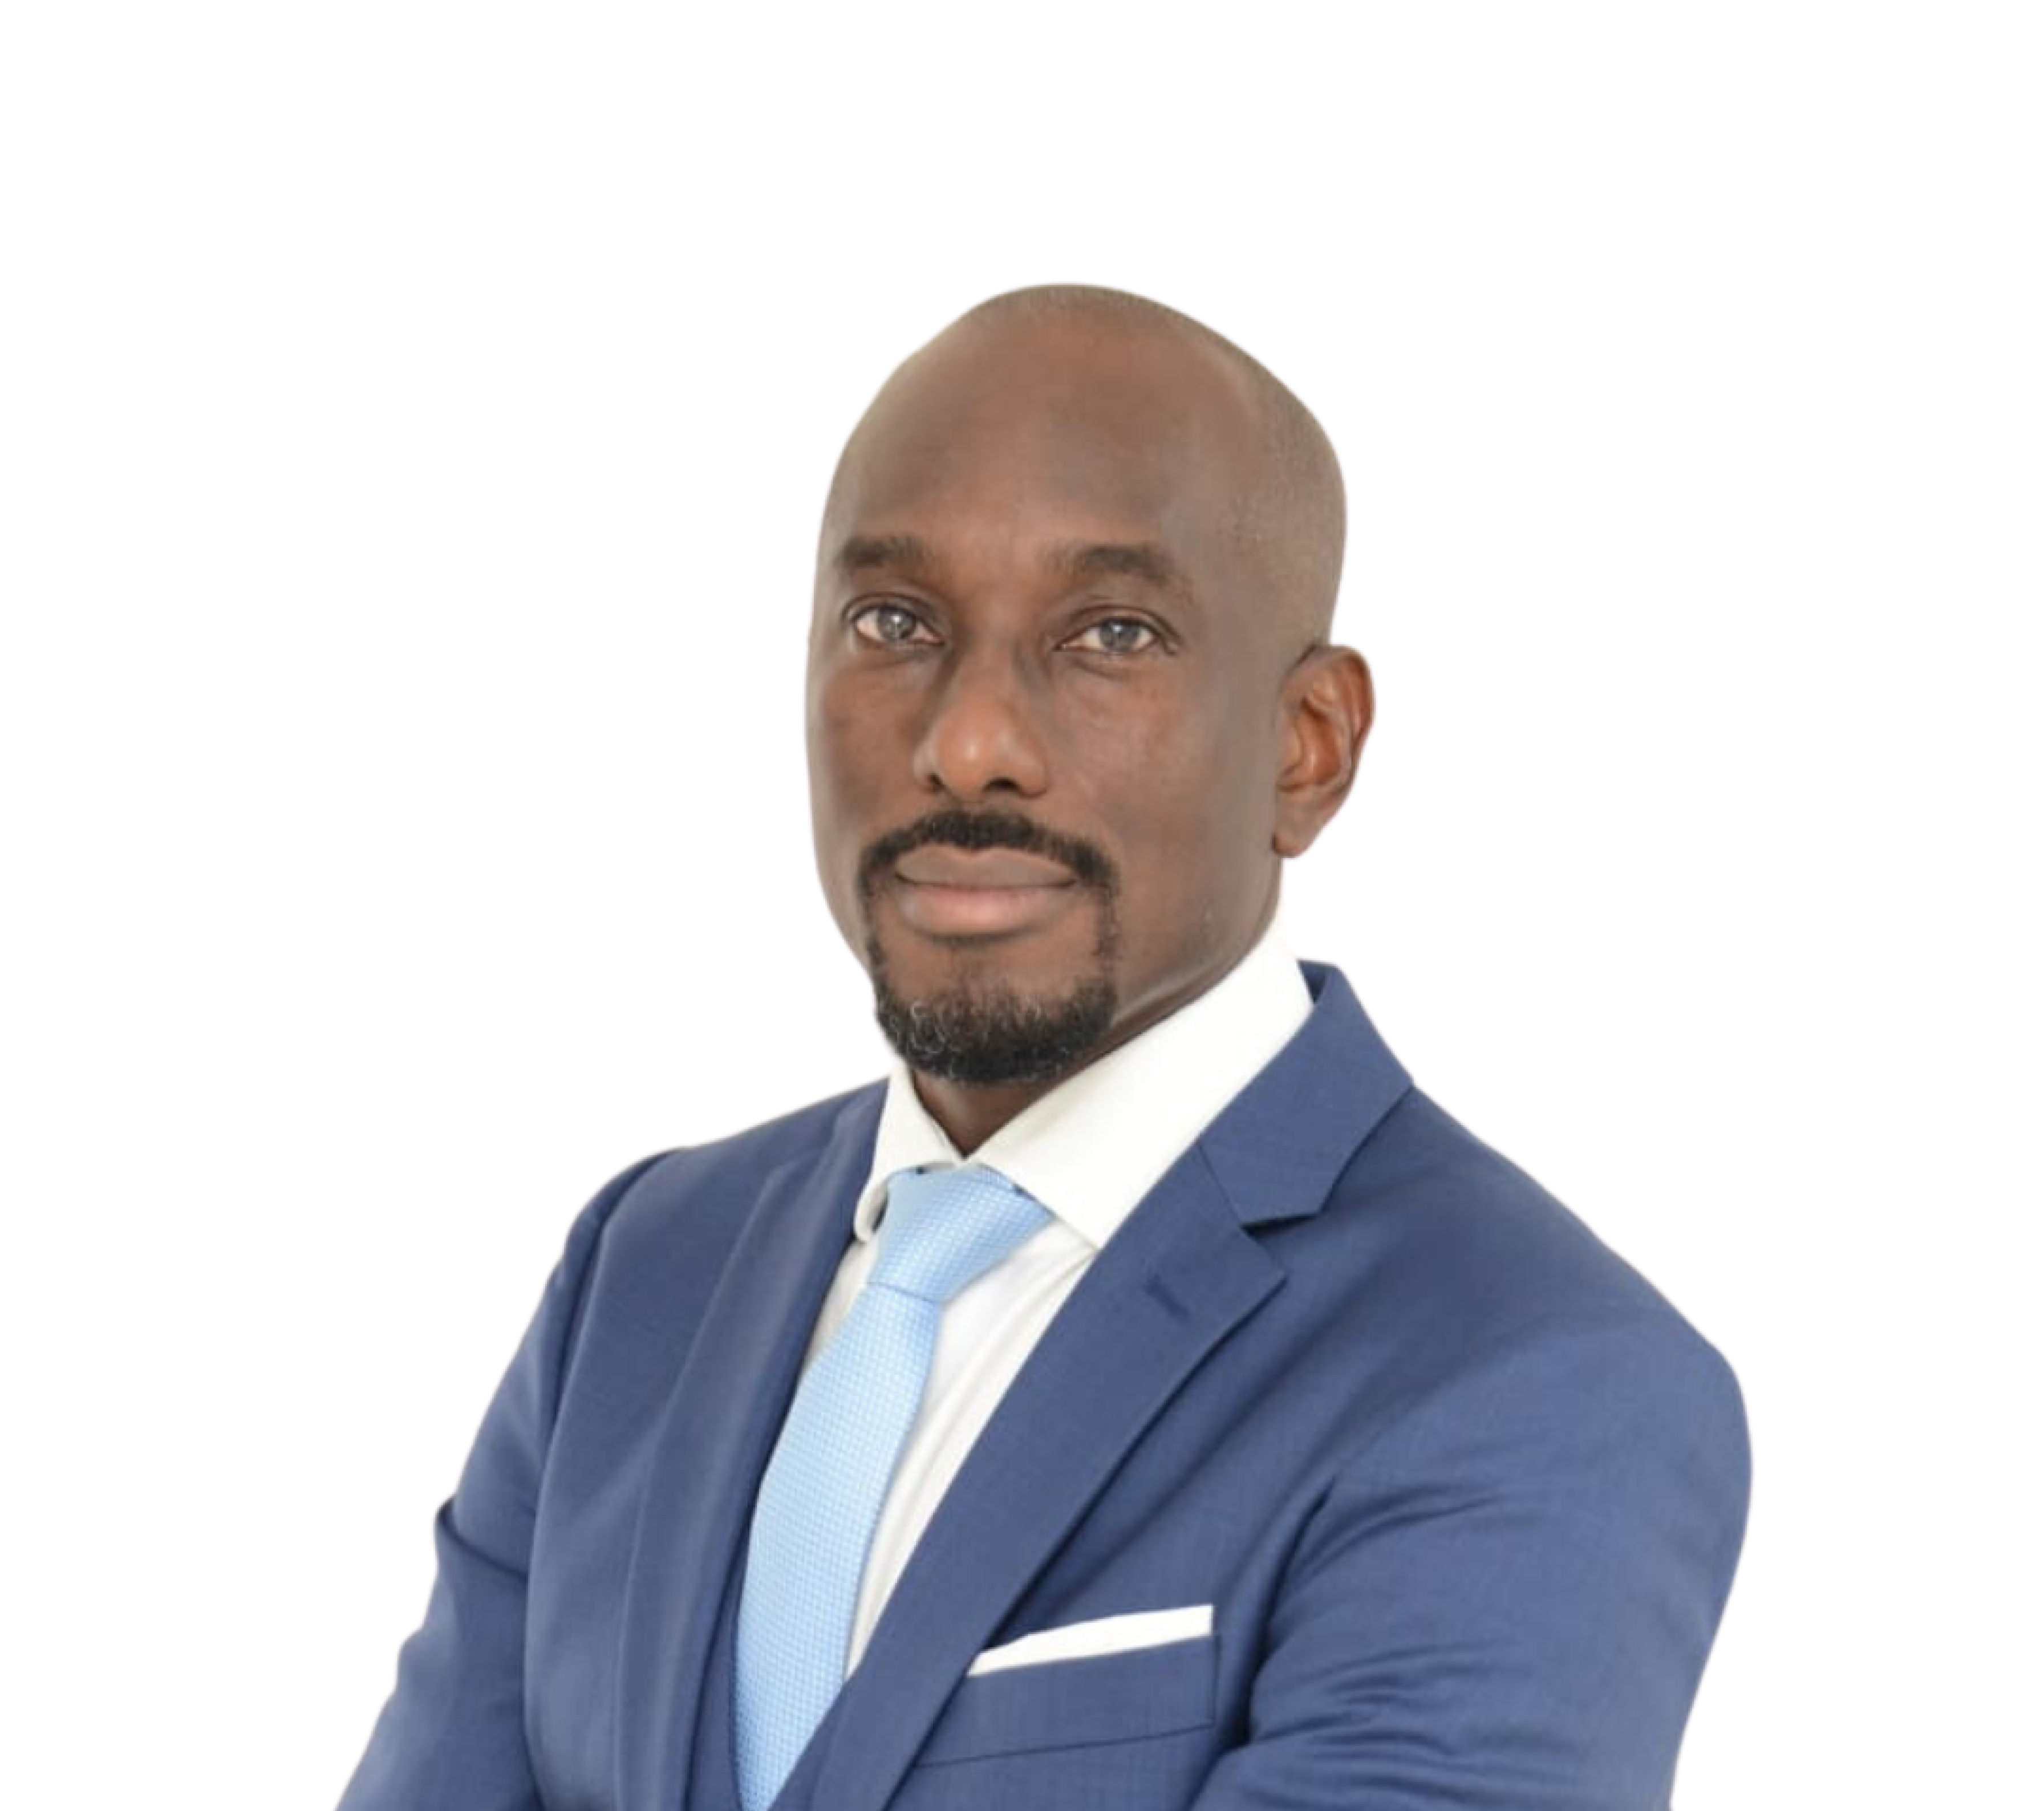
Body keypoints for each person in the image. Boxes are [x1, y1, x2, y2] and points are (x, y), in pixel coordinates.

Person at [337, 281, 1753, 1810]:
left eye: (1110, 635)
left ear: (1311, 749)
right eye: (895, 623)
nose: (969, 744)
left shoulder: (1539, 1375)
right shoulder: (644, 1266)